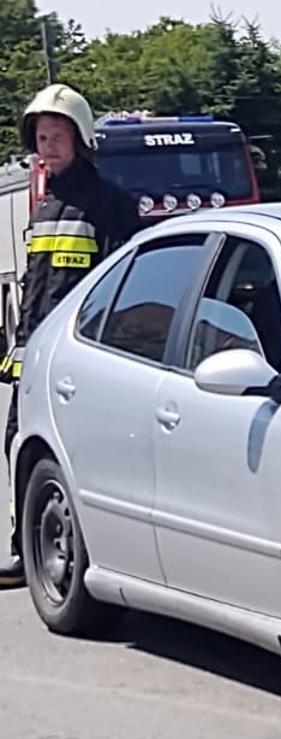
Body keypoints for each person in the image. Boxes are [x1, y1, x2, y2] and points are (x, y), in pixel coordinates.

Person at [1, 84, 139, 588]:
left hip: (79, 359)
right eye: (42, 137)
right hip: (34, 361)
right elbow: (33, 288)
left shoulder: (109, 204)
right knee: (21, 449)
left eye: (58, 135)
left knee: (79, 458)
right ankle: (27, 550)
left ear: (80, 139)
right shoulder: (44, 206)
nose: (49, 146)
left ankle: (87, 558)